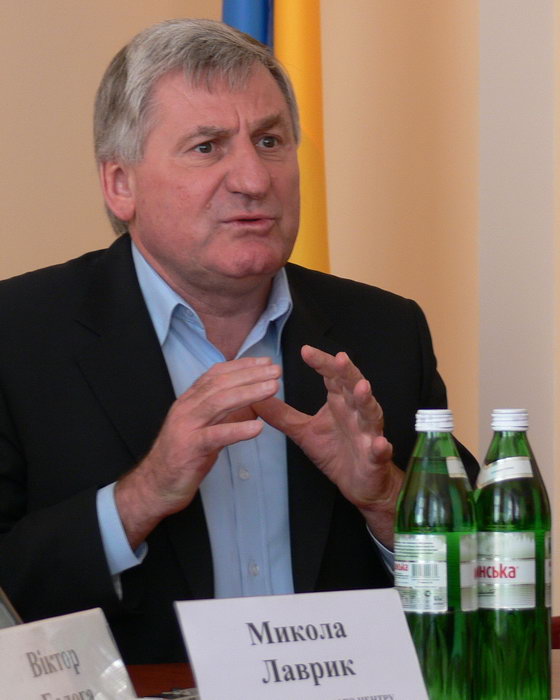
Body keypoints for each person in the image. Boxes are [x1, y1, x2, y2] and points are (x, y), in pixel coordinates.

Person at [0, 18, 477, 664]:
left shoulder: (383, 332)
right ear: (121, 184)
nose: (253, 179)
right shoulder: (19, 336)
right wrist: (139, 498)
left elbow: (487, 577)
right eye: (207, 147)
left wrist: (386, 498)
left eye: (270, 141)